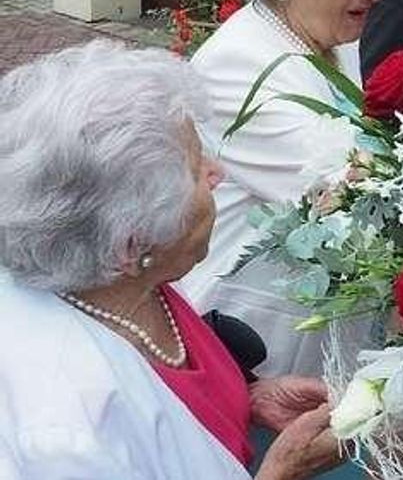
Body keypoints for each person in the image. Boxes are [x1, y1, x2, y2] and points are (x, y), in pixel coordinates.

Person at [0, 41, 343, 480]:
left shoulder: (125, 284)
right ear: (132, 242)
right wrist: (280, 473)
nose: (217, 172)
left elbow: (174, 398)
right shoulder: (69, 428)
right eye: (195, 165)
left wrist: (249, 397)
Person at [181, 0, 388, 379]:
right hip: (252, 355)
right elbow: (356, 200)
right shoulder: (237, 67)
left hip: (318, 340)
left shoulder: (329, 38)